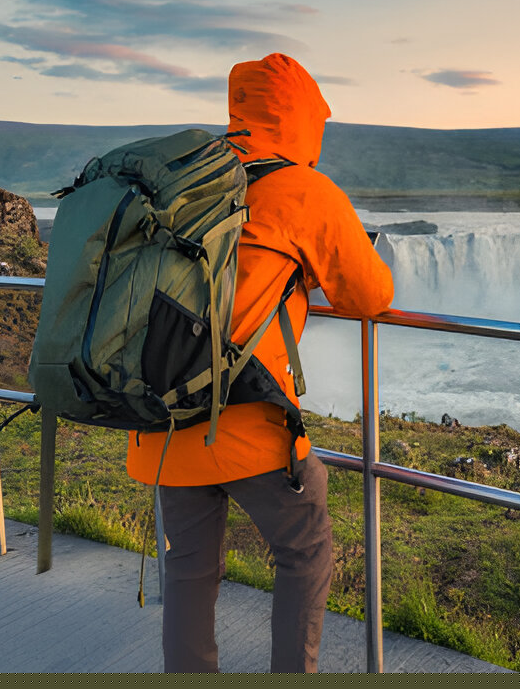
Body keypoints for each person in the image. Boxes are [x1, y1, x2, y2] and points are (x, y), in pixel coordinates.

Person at [125, 53, 394, 673]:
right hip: (251, 423)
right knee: (304, 551)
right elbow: (370, 295)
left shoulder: (186, 181)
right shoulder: (304, 189)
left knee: (190, 568)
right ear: (303, 118)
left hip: (163, 420)